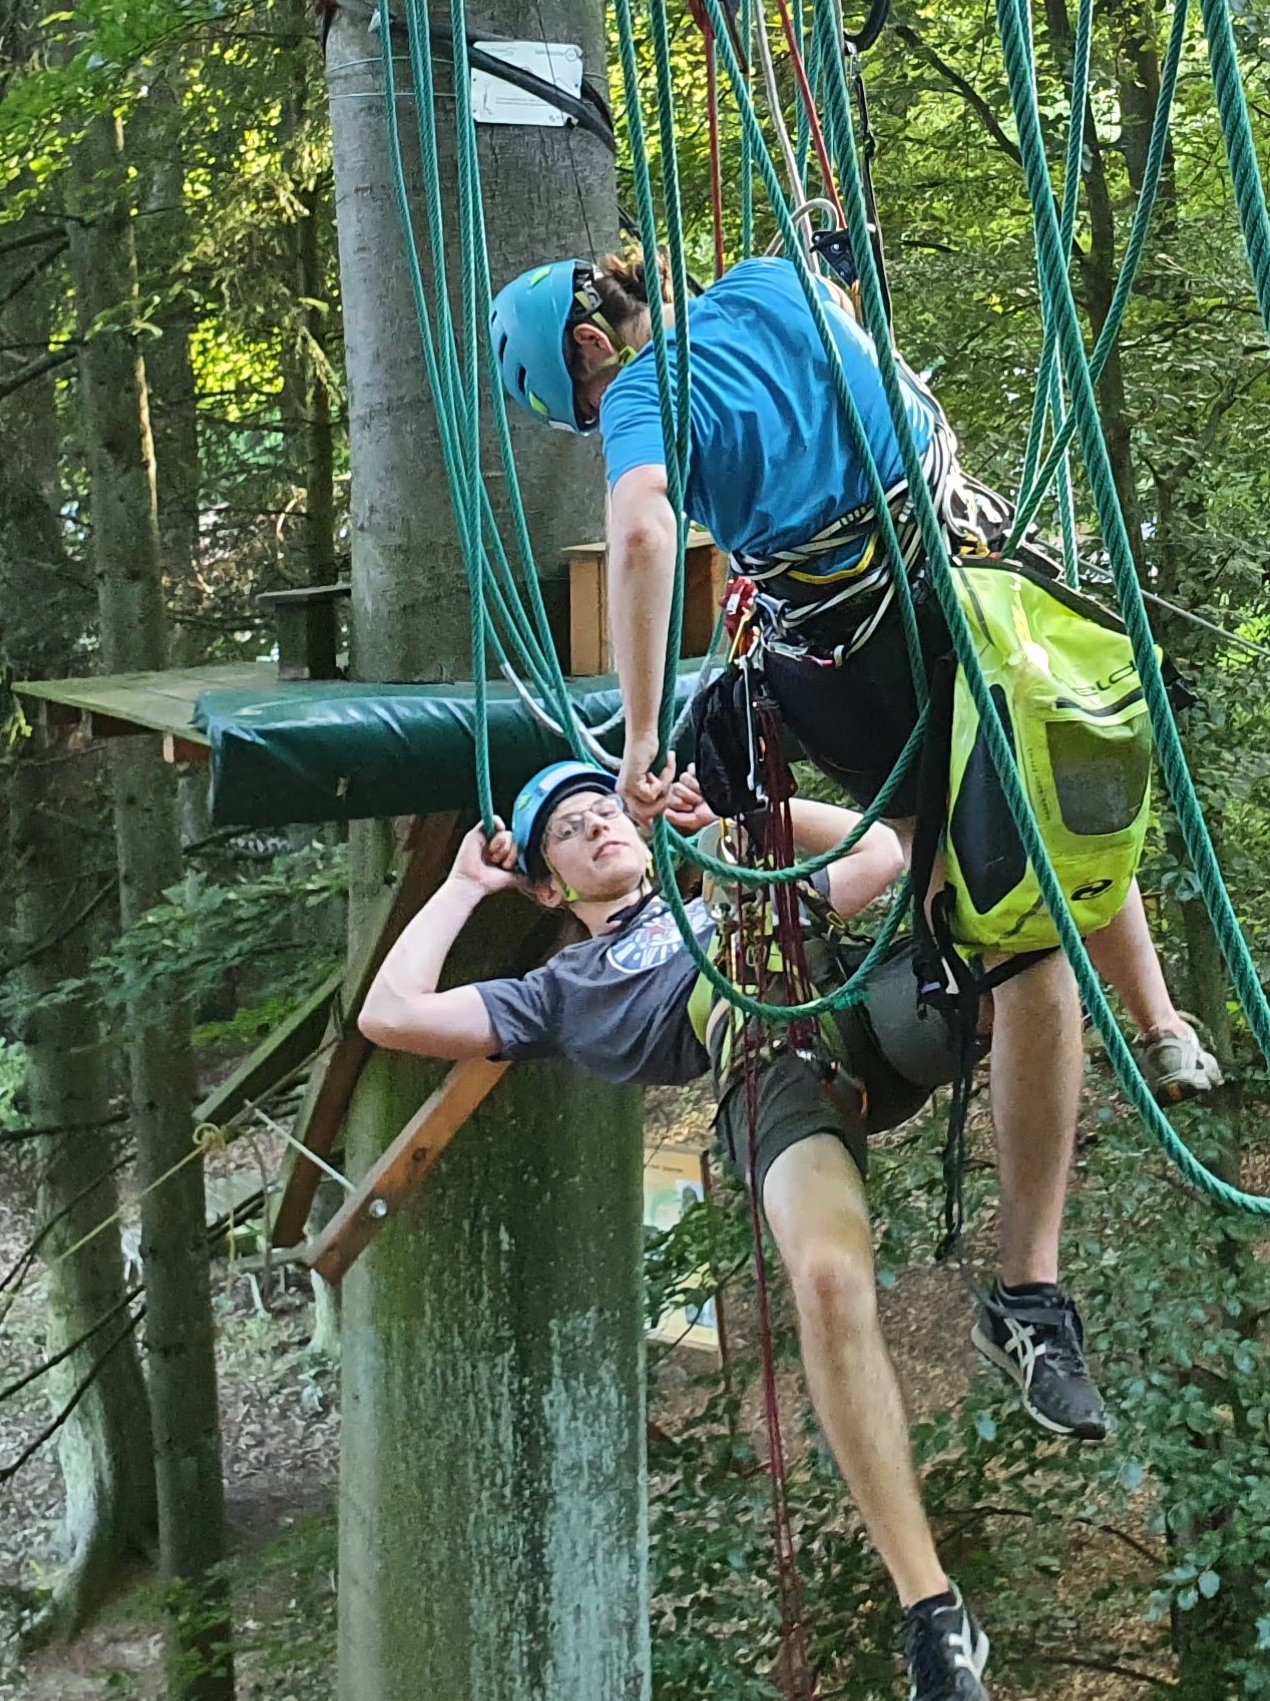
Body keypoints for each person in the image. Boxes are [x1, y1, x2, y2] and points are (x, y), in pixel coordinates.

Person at [484, 244, 1213, 1447]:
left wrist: (646, 731)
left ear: (584, 348)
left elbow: (644, 534)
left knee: (1015, 920)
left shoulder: (636, 393)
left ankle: (1030, 1277)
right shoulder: (770, 282)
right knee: (1033, 837)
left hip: (866, 658)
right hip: (983, 597)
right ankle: (1137, 1055)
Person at [355, 758, 1000, 1701]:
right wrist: (460, 886)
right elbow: (391, 1015)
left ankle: (1040, 1273)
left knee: (1009, 920)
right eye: (568, 830)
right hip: (768, 1064)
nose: (598, 825)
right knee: (828, 1280)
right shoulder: (560, 993)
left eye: (605, 808)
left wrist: (754, 816)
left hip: (850, 1000)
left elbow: (882, 848)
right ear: (547, 884)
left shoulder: (726, 875)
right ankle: (932, 1615)